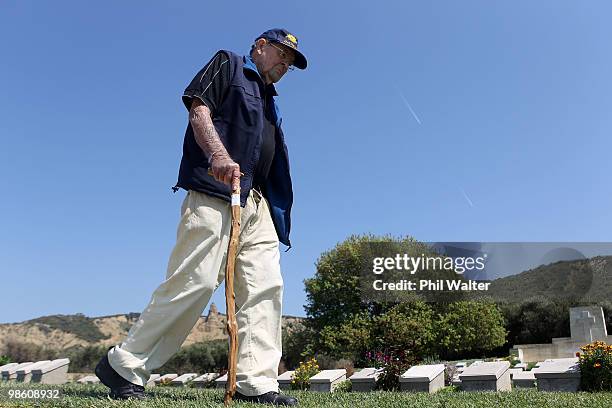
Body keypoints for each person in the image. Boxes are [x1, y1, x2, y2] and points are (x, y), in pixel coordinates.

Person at [94, 28, 307, 406]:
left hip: (255, 203)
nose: (284, 65)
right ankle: (124, 365)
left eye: (290, 63)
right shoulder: (229, 63)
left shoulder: (270, 100)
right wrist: (218, 156)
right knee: (195, 280)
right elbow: (199, 108)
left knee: (265, 289)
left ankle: (255, 382)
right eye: (281, 55)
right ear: (260, 46)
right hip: (214, 190)